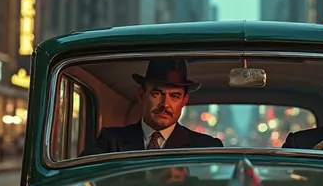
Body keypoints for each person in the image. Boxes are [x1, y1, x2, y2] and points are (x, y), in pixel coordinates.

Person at [81, 59, 223, 156]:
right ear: (141, 95)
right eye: (157, 93)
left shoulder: (206, 147)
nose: (165, 104)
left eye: (174, 96)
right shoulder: (110, 140)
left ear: (184, 100)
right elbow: (82, 179)